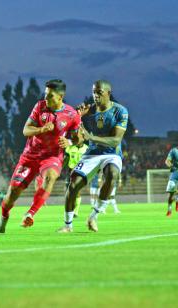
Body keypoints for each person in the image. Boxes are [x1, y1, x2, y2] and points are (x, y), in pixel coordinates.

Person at [0, 79, 81, 233]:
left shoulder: (71, 114)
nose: (46, 98)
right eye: (45, 94)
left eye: (50, 96)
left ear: (60, 97)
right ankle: (4, 216)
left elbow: (79, 138)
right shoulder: (39, 106)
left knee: (51, 177)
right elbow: (26, 130)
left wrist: (69, 142)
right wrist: (41, 130)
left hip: (52, 157)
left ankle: (30, 214)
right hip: (30, 156)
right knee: (12, 194)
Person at [59, 79, 128, 233]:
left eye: (99, 92)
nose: (95, 95)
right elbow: (80, 139)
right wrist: (77, 120)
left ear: (108, 93)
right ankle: (68, 225)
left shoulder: (120, 111)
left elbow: (115, 140)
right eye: (93, 92)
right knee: (73, 185)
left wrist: (92, 138)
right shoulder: (88, 112)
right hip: (91, 154)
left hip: (111, 154)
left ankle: (93, 216)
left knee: (112, 174)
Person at [63, 142, 88, 218]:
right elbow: (65, 159)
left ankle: (75, 211)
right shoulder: (69, 148)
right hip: (70, 171)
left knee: (76, 191)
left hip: (80, 171)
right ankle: (71, 208)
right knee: (68, 191)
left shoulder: (86, 148)